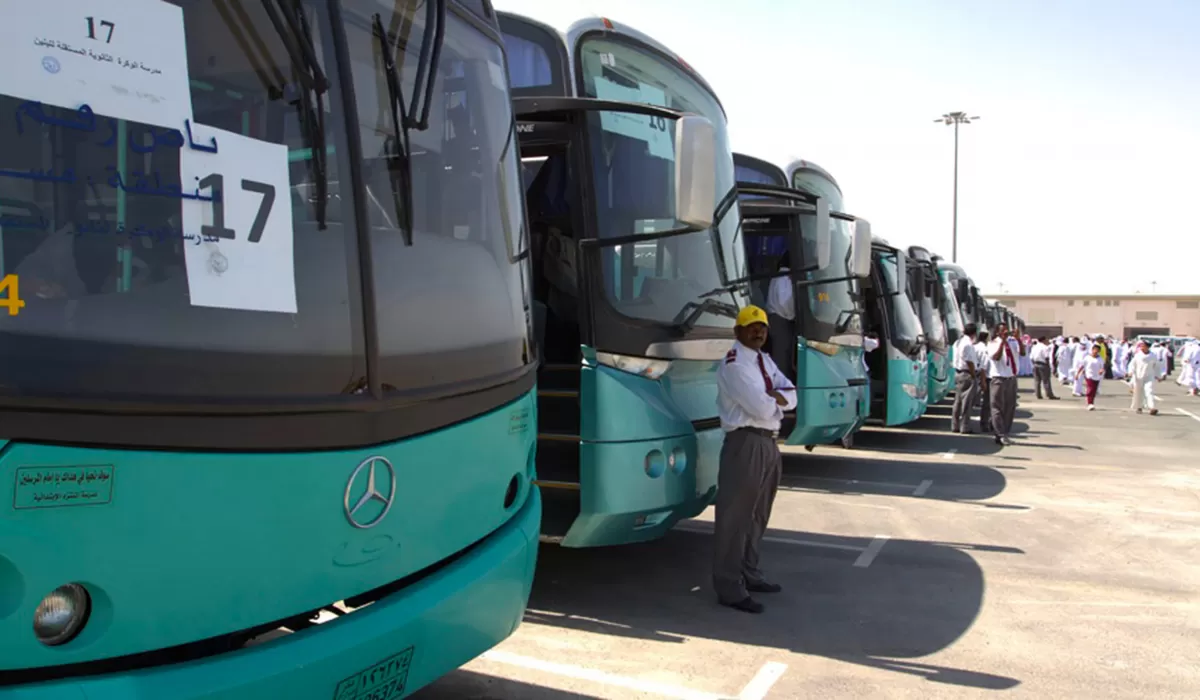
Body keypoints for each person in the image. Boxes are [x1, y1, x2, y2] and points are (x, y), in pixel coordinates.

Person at [713, 305, 796, 614]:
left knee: (758, 515)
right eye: (751, 326)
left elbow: (792, 392)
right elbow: (761, 409)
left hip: (768, 443)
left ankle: (750, 572)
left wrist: (776, 399)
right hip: (745, 442)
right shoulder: (735, 364)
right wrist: (777, 401)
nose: (758, 331)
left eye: (762, 326)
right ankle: (729, 586)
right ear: (738, 332)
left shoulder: (763, 360)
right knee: (735, 518)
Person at [986, 323, 1022, 445]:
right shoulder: (993, 343)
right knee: (997, 407)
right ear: (998, 332)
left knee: (1009, 408)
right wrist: (1002, 342)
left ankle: (1004, 432)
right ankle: (999, 433)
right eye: (1003, 331)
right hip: (998, 378)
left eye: (1007, 330)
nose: (1006, 332)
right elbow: (996, 357)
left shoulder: (1013, 342)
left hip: (1011, 378)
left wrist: (1018, 339)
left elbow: (1022, 353)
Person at [765, 258, 796, 382]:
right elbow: (786, 305)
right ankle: (781, 387)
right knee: (782, 358)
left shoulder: (779, 276)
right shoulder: (785, 278)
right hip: (781, 320)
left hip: (777, 319)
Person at [950, 323, 980, 433]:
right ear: (974, 333)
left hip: (958, 373)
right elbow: (969, 361)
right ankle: (965, 426)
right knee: (966, 402)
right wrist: (973, 374)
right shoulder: (967, 344)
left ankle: (955, 425)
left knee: (957, 401)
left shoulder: (957, 342)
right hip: (967, 374)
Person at [1127, 341, 1161, 415]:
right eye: (1141, 346)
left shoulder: (1153, 356)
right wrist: (1130, 372)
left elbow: (1157, 366)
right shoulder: (1138, 355)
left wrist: (1158, 376)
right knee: (1138, 392)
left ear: (1147, 347)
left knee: (1149, 391)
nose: (1141, 347)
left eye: (1143, 346)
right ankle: (1139, 407)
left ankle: (1152, 407)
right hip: (1138, 377)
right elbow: (1132, 364)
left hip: (1149, 376)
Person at [1076, 343, 1105, 410]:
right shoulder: (1087, 357)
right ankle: (1089, 403)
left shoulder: (1100, 359)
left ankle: (1092, 403)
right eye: (1094, 350)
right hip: (1089, 375)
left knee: (1094, 390)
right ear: (1092, 350)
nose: (1095, 351)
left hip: (1097, 376)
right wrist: (1077, 374)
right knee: (1090, 388)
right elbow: (1082, 366)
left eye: (1097, 350)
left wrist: (1101, 371)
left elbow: (1102, 367)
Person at [975, 331, 992, 433]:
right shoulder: (985, 349)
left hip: (975, 373)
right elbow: (983, 367)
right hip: (985, 376)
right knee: (987, 403)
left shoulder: (975, 347)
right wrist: (983, 381)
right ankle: (985, 423)